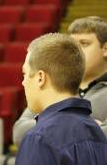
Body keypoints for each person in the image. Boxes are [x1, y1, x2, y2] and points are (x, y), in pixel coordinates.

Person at [0, 33, 107, 165]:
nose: (23, 82)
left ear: (40, 78)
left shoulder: (40, 138)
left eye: (25, 74)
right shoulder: (96, 132)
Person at [13, 16, 107, 147]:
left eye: (84, 44)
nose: (77, 51)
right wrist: (85, 126)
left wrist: (50, 125)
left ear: (105, 49)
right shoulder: (58, 83)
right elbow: (20, 132)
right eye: (73, 46)